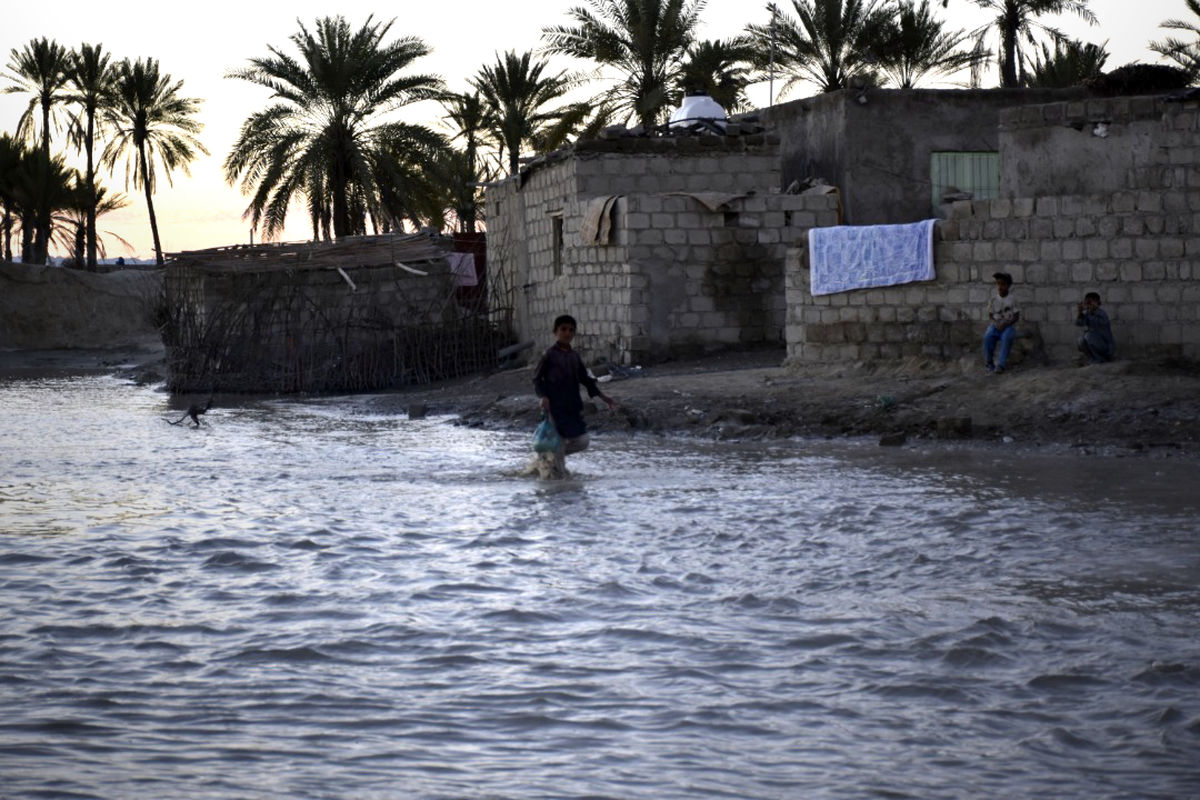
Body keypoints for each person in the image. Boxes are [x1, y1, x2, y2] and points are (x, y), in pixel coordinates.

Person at [531, 314, 616, 477]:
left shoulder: (574, 356)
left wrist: (603, 396)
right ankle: (559, 478)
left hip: (572, 405)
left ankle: (549, 459)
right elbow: (537, 378)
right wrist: (543, 397)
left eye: (571, 330)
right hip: (554, 406)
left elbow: (585, 379)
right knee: (560, 442)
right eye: (563, 329)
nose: (567, 333)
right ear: (555, 332)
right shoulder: (549, 355)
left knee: (582, 441)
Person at [982, 271, 1019, 374]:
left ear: (1008, 285)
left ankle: (1000, 365)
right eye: (998, 284)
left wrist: (1006, 324)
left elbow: (1016, 316)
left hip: (1008, 326)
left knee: (1007, 338)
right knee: (987, 337)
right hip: (996, 326)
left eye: (1002, 284)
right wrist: (995, 323)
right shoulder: (993, 299)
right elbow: (990, 315)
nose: (1000, 287)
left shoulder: (1012, 299)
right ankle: (989, 364)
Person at [1075, 291, 1115, 364]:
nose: (1087, 305)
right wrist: (1079, 312)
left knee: (1088, 336)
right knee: (1081, 341)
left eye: (1089, 302)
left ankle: (1100, 359)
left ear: (1096, 302)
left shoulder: (1102, 313)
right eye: (1086, 302)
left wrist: (1094, 309)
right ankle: (1092, 358)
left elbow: (1101, 323)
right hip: (1095, 343)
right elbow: (1078, 323)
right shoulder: (1088, 313)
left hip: (1105, 347)